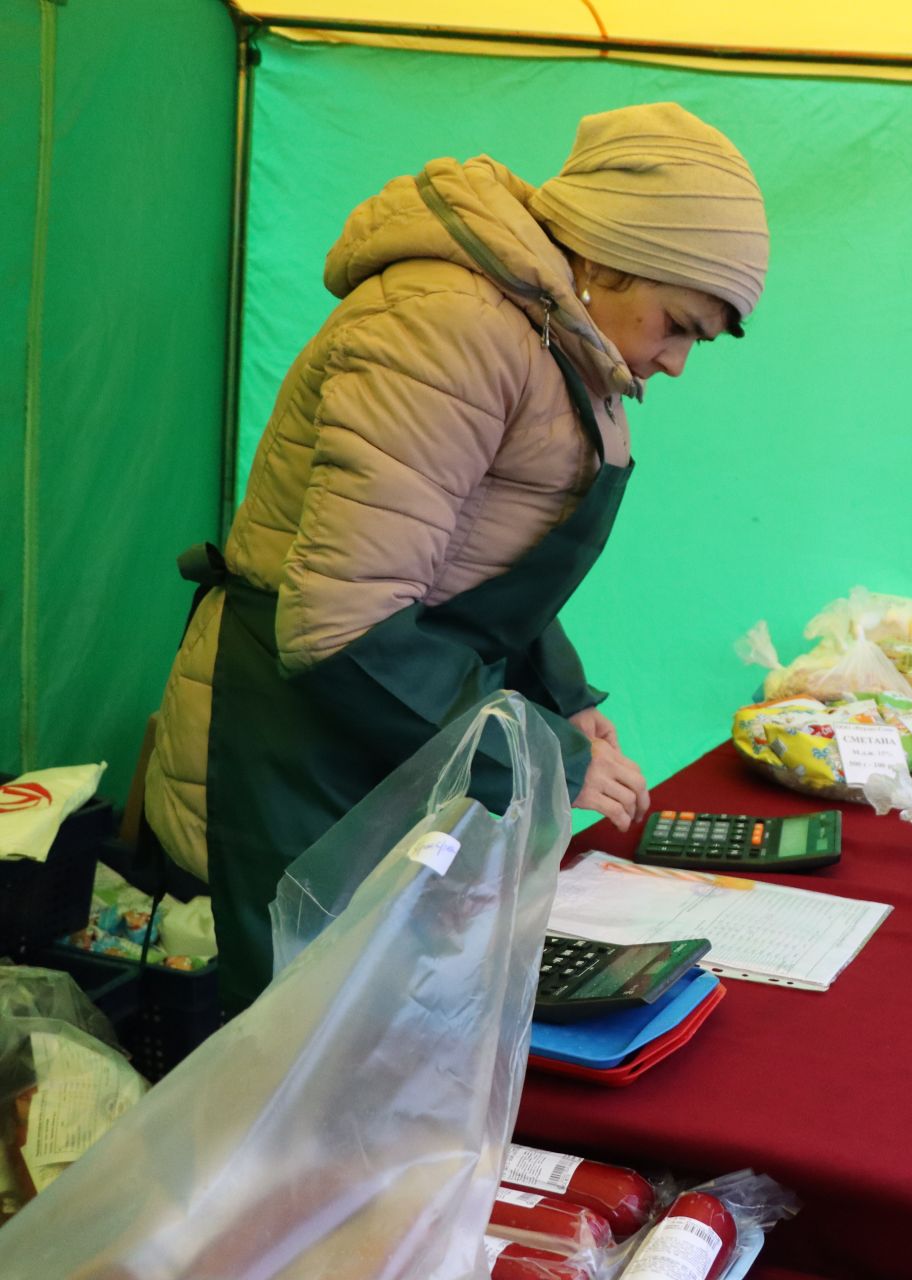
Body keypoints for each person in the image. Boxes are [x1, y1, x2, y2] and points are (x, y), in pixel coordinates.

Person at [144, 104, 770, 1011]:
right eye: (677, 324)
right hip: (300, 731)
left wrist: (563, 703)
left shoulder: (555, 339)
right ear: (605, 256)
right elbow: (341, 622)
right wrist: (541, 755)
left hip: (385, 716)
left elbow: (476, 564)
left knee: (376, 1029)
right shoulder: (448, 326)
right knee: (298, 1054)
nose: (673, 362)